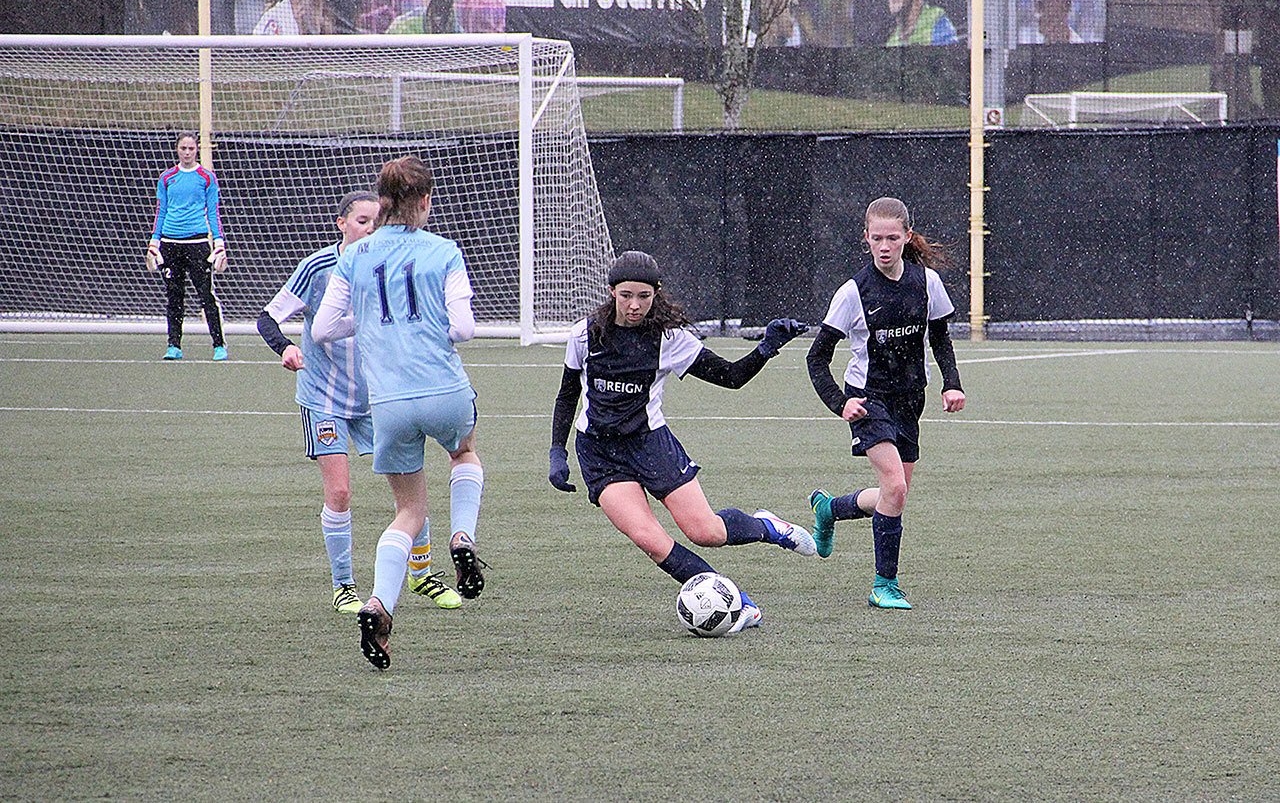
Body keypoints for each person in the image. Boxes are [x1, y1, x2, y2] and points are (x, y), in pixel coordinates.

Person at [548, 250, 815, 631]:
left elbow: (731, 377)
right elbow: (567, 395)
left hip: (650, 443)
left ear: (656, 293)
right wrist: (558, 450)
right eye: (626, 296)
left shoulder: (669, 339)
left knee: (705, 532)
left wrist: (766, 348)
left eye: (643, 296)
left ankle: (768, 527)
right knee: (652, 541)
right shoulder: (585, 333)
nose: (634, 305)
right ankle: (737, 606)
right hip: (599, 452)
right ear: (611, 292)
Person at [312, 156, 486, 670]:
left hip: (387, 403)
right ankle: (462, 536)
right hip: (443, 389)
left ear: (381, 202)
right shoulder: (444, 252)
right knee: (465, 454)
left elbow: (322, 330)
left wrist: (368, 325)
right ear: (426, 201)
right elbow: (464, 328)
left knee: (408, 512)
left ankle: (378, 604)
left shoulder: (356, 256)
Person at [257, 191, 463, 616]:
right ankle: (344, 585)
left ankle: (421, 574)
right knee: (340, 491)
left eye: (376, 220)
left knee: (409, 494)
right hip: (324, 397)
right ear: (341, 224)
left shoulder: (382, 264)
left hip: (378, 398)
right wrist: (284, 348)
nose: (369, 228)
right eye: (362, 220)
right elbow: (268, 317)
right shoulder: (317, 267)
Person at [806, 197, 965, 611]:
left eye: (892, 237)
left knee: (894, 494)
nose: (884, 245)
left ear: (907, 237)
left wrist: (952, 384)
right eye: (876, 238)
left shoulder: (926, 282)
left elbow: (940, 338)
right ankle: (884, 584)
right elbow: (817, 357)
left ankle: (829, 509)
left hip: (911, 399)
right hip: (868, 399)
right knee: (894, 487)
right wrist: (841, 404)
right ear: (866, 239)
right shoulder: (853, 292)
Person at [147, 131, 227, 361]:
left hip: (198, 243)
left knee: (206, 295)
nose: (187, 153)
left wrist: (219, 243)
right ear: (177, 150)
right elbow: (161, 211)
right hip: (171, 243)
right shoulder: (167, 178)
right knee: (174, 294)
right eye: (183, 148)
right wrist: (155, 240)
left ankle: (219, 345)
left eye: (191, 149)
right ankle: (174, 345)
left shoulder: (207, 177)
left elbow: (213, 212)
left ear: (197, 150)